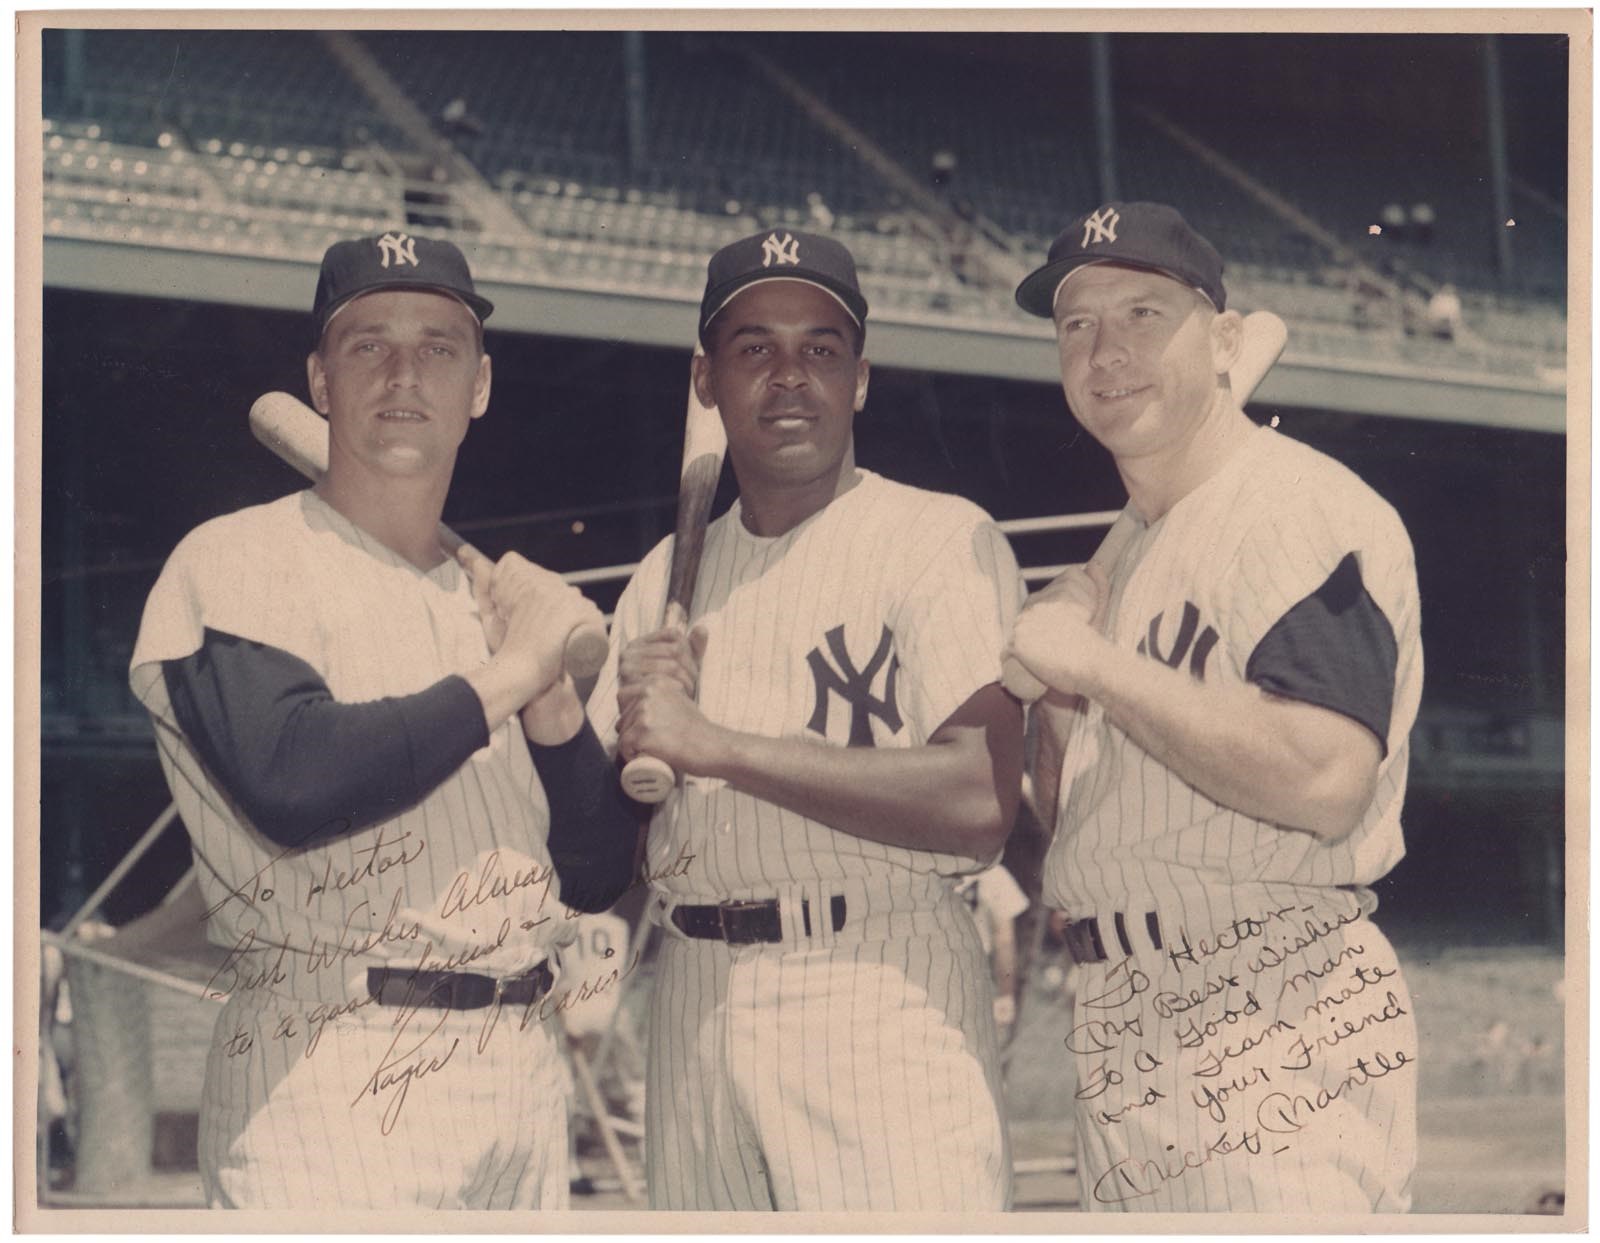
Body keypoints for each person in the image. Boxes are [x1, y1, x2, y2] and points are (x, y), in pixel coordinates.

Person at [128, 232, 638, 1209]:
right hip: (330, 1064)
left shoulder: (486, 603)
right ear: (321, 379)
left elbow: (595, 871)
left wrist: (556, 706)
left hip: (520, 1071)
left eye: (439, 347)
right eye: (369, 345)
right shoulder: (237, 557)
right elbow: (295, 782)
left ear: (478, 387)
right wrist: (516, 668)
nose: (405, 372)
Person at [587, 228, 1025, 1211]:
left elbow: (978, 797)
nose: (790, 376)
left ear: (860, 378)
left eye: (821, 349)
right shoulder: (663, 574)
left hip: (874, 985)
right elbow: (605, 838)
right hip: (692, 990)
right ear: (706, 381)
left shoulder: (935, 538)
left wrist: (717, 746)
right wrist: (598, 732)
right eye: (754, 350)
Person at [1006, 202, 1422, 1213]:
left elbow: (1324, 778)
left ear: (1227, 341)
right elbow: (1088, 820)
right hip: (1122, 1013)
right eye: (1076, 324)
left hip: (1267, 1000)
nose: (1105, 351)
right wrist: (1061, 697)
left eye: (1145, 313)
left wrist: (1097, 667)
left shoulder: (1294, 508)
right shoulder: (1139, 549)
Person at [957, 863, 1030, 1040]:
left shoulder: (932, 864)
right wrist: (1006, 994)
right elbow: (1004, 940)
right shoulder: (995, 875)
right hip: (973, 973)